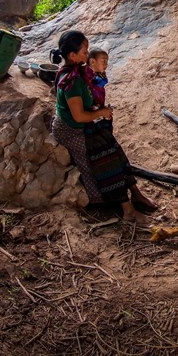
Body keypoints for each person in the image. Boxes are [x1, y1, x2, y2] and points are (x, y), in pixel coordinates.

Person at [50, 30, 158, 224]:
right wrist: (101, 113)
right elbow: (79, 116)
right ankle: (128, 210)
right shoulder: (71, 81)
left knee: (115, 149)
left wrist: (99, 109)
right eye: (84, 51)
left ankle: (136, 194)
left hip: (83, 124)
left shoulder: (78, 71)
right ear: (72, 56)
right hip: (71, 130)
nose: (87, 54)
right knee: (105, 160)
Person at [87, 47, 109, 112]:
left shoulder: (100, 73)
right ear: (92, 62)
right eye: (104, 61)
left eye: (107, 61)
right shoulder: (87, 75)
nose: (106, 64)